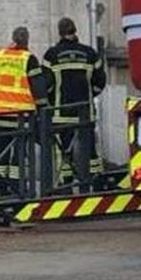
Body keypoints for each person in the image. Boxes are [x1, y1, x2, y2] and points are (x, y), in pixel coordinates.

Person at [44, 18, 107, 191]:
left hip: (61, 112)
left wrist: (51, 101)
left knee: (64, 151)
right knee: (90, 150)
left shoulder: (51, 55)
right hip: (85, 112)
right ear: (75, 30)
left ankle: (66, 185)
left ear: (59, 32)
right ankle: (93, 183)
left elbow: (46, 85)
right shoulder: (90, 53)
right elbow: (100, 81)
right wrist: (89, 95)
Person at [0, 27, 48, 197]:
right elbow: (39, 90)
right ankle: (18, 188)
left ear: (12, 39)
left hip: (0, 116)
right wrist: (42, 111)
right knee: (18, 156)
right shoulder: (29, 59)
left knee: (0, 154)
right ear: (27, 40)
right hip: (21, 118)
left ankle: (0, 189)